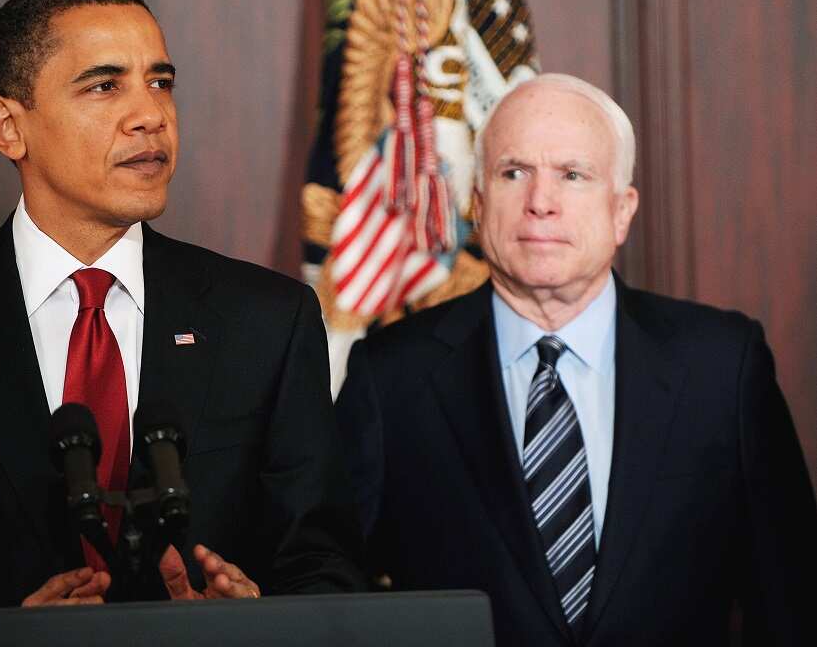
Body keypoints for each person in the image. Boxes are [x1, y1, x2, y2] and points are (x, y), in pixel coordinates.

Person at [0, 0, 363, 614]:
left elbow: (329, 572)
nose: (151, 115)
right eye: (105, 86)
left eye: (160, 82)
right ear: (7, 127)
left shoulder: (269, 320)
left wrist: (254, 614)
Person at [334, 73, 817, 645]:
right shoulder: (391, 377)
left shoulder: (724, 366)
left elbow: (791, 602)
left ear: (622, 210)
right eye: (514, 173)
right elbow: (333, 589)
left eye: (572, 175)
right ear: (479, 202)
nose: (541, 203)